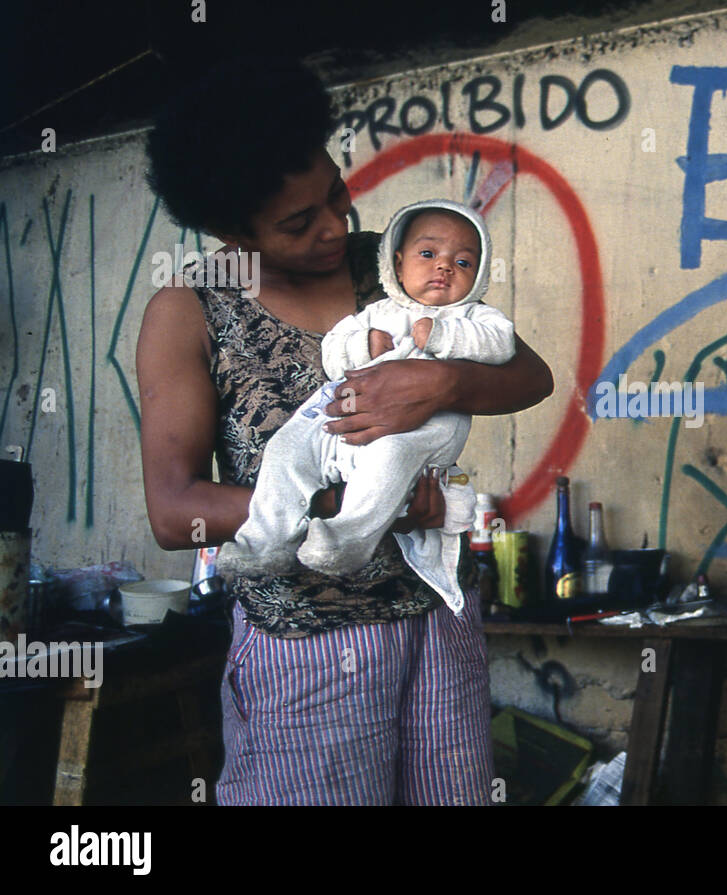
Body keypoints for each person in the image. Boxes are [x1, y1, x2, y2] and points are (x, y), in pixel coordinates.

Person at [137, 57, 553, 805]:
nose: (335, 227)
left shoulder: (393, 269)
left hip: (436, 613)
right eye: (299, 223)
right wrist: (357, 509)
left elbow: (532, 376)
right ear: (230, 227)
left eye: (335, 194)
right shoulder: (190, 309)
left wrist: (446, 382)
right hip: (310, 640)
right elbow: (175, 508)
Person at [218, 200, 513, 615]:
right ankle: (264, 541)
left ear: (478, 277)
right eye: (428, 254)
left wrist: (445, 337)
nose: (444, 268)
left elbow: (503, 344)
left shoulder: (472, 316)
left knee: (390, 460)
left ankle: (347, 539)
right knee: (286, 448)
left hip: (423, 431)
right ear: (397, 262)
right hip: (344, 419)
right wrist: (363, 346)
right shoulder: (377, 312)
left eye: (463, 262)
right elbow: (333, 351)